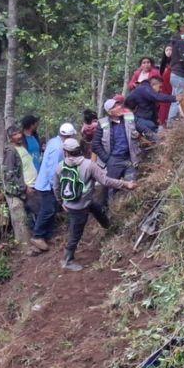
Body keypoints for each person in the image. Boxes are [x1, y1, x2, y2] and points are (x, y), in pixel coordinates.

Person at [55, 138, 136, 271]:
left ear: (66, 152)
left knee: (96, 208)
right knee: (76, 233)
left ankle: (109, 227)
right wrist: (126, 184)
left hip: (72, 204)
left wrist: (61, 202)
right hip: (81, 206)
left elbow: (56, 187)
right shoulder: (89, 165)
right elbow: (105, 181)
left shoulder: (60, 166)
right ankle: (67, 261)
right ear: (79, 150)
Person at [32, 122, 77, 250]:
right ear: (69, 136)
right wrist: (55, 187)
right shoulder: (59, 149)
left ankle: (46, 237)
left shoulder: (53, 141)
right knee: (48, 210)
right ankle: (37, 236)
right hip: (47, 185)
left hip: (45, 183)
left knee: (51, 210)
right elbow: (52, 171)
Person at [92, 98, 145, 204]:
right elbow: (95, 145)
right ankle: (110, 211)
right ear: (110, 112)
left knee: (131, 184)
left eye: (119, 105)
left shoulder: (129, 117)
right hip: (114, 161)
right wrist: (107, 159)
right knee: (112, 189)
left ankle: (126, 209)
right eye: (115, 106)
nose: (119, 107)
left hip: (130, 159)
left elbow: (143, 129)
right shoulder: (103, 124)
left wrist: (157, 139)